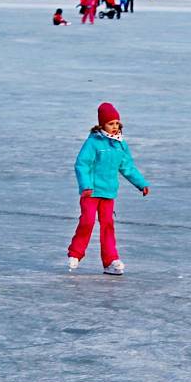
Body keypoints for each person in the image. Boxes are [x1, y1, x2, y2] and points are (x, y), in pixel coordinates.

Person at [67, 102, 150, 275]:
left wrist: (141, 183)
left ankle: (110, 261)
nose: (115, 127)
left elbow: (127, 167)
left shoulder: (120, 145)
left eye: (117, 123)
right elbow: (82, 164)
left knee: (107, 225)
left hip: (108, 192)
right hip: (91, 192)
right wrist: (86, 186)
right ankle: (75, 253)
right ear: (102, 124)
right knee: (87, 221)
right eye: (111, 123)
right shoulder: (93, 142)